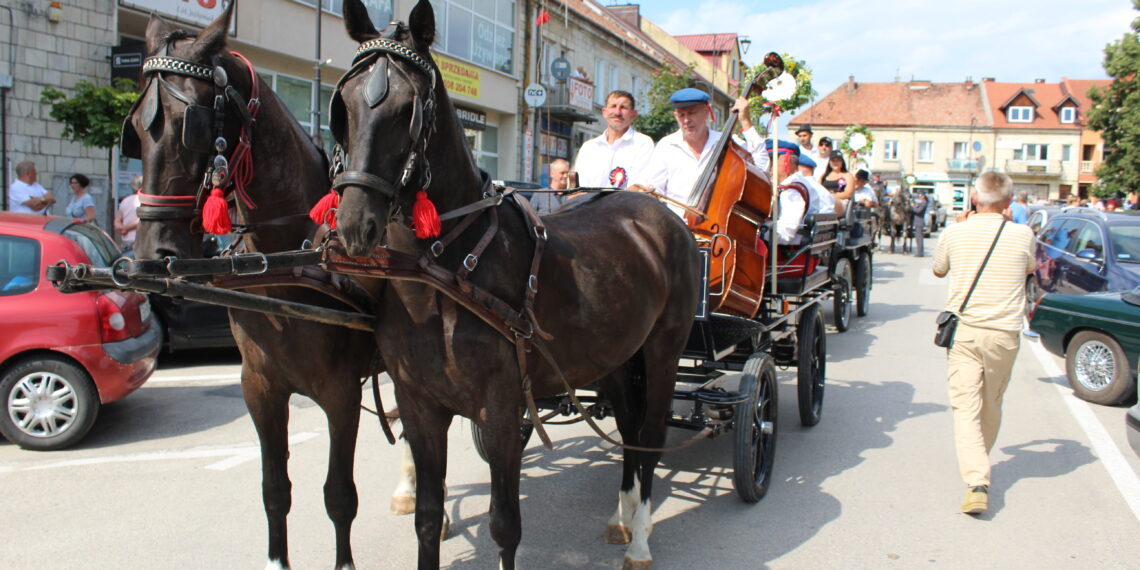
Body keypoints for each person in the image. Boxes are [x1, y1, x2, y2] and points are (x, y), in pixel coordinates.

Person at [932, 171, 1036, 515]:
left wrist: (962, 226)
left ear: (975, 199)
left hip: (964, 331)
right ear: (1009, 202)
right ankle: (979, 467)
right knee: (991, 402)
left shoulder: (955, 232)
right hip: (1004, 333)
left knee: (965, 407)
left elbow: (938, 269)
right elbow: (1029, 268)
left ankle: (977, 480)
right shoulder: (1023, 235)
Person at [631, 88, 768, 211]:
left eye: (691, 113)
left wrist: (746, 123)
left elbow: (762, 170)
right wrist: (646, 192)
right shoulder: (666, 145)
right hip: (677, 228)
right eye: (681, 115)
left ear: (706, 112)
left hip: (718, 226)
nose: (686, 120)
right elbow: (656, 188)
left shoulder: (728, 142)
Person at [573, 90, 654, 190]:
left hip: (625, 205)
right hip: (589, 205)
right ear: (604, 112)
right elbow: (577, 188)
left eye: (623, 107)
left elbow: (638, 187)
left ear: (634, 114)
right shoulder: (589, 147)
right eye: (613, 106)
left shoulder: (642, 143)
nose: (617, 112)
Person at [115, 175, 142, 249]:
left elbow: (117, 221)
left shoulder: (125, 200)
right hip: (141, 240)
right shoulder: (144, 200)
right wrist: (126, 228)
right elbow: (141, 220)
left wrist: (122, 228)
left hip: (126, 240)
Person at [912, 191, 928, 257]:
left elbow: (918, 211)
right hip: (918, 222)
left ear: (923, 196)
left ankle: (920, 253)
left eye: (920, 196)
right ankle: (919, 252)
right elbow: (918, 207)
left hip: (919, 222)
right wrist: (915, 206)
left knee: (919, 239)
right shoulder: (922, 203)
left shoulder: (924, 203)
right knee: (917, 238)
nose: (919, 197)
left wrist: (912, 207)